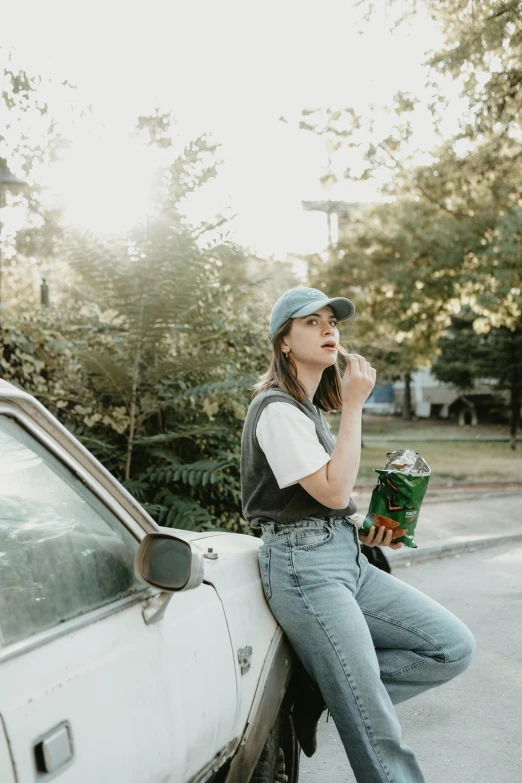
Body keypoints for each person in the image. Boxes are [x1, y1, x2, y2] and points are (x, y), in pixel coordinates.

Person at [240, 287, 476, 783]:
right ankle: (348, 689)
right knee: (375, 720)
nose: (330, 329)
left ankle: (323, 685)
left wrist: (363, 529)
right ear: (283, 342)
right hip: (305, 572)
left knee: (451, 647)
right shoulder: (276, 409)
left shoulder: (305, 409)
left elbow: (330, 502)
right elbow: (330, 490)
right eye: (312, 322)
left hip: (344, 559)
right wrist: (354, 406)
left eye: (332, 321)